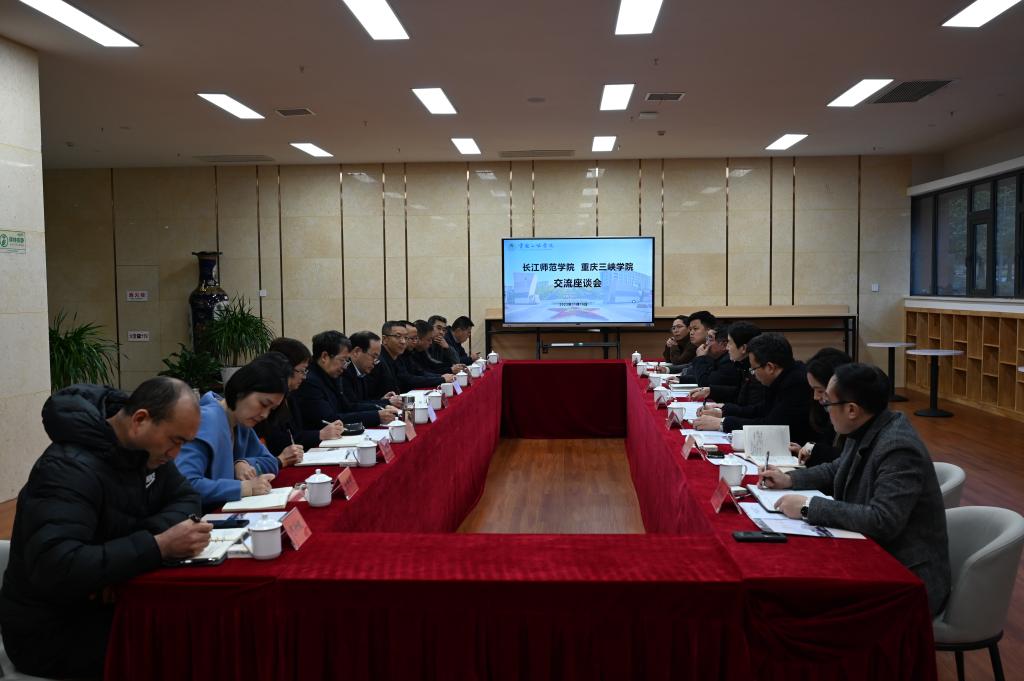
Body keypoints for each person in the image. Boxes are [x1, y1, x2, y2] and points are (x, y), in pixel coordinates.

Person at [0, 378, 211, 678]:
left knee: (202, 625)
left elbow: (187, 498)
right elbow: (56, 565)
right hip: (52, 631)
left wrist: (124, 561)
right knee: (185, 650)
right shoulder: (67, 468)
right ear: (140, 420)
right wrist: (158, 546)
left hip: (106, 603)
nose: (175, 454)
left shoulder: (146, 454)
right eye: (175, 441)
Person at [759, 363, 951, 615]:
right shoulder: (867, 427)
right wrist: (790, 479)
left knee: (798, 604)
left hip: (905, 579)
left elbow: (883, 520)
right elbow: (837, 468)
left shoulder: (898, 447)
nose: (823, 408)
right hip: (871, 553)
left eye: (828, 403)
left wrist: (808, 507)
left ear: (851, 409)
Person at [175, 357, 284, 509]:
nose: (265, 415)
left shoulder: (241, 423)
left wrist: (243, 463)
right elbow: (185, 484)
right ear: (241, 390)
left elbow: (271, 462)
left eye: (271, 410)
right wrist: (243, 488)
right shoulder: (205, 421)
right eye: (263, 404)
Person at [692, 332, 813, 443]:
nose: (753, 374)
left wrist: (722, 423)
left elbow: (772, 426)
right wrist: (723, 412)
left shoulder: (797, 383)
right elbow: (760, 410)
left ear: (770, 367)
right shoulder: (781, 376)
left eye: (754, 369)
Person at [255, 338, 345, 466]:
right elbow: (279, 443)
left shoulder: (291, 395)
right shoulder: (268, 400)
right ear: (285, 369)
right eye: (301, 371)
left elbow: (297, 433)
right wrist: (320, 434)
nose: (304, 376)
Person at [294, 330, 401, 429]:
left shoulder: (332, 375)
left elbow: (348, 407)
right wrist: (376, 416)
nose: (345, 366)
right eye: (343, 360)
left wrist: (381, 408)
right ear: (324, 357)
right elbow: (329, 419)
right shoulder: (310, 382)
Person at [788, 348, 852, 467]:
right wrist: (806, 451)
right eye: (813, 390)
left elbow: (843, 461)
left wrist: (814, 451)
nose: (815, 397)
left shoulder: (851, 419)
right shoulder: (823, 410)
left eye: (820, 391)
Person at [689, 321, 763, 405]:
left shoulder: (733, 363)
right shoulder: (742, 364)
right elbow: (740, 392)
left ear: (743, 348)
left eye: (730, 343)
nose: (727, 348)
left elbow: (753, 408)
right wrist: (710, 391)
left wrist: (723, 410)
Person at [342, 330, 404, 408]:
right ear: (357, 352)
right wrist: (387, 402)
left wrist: (382, 400)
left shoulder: (361, 371)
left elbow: (364, 402)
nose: (375, 362)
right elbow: (352, 406)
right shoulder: (344, 372)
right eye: (374, 356)